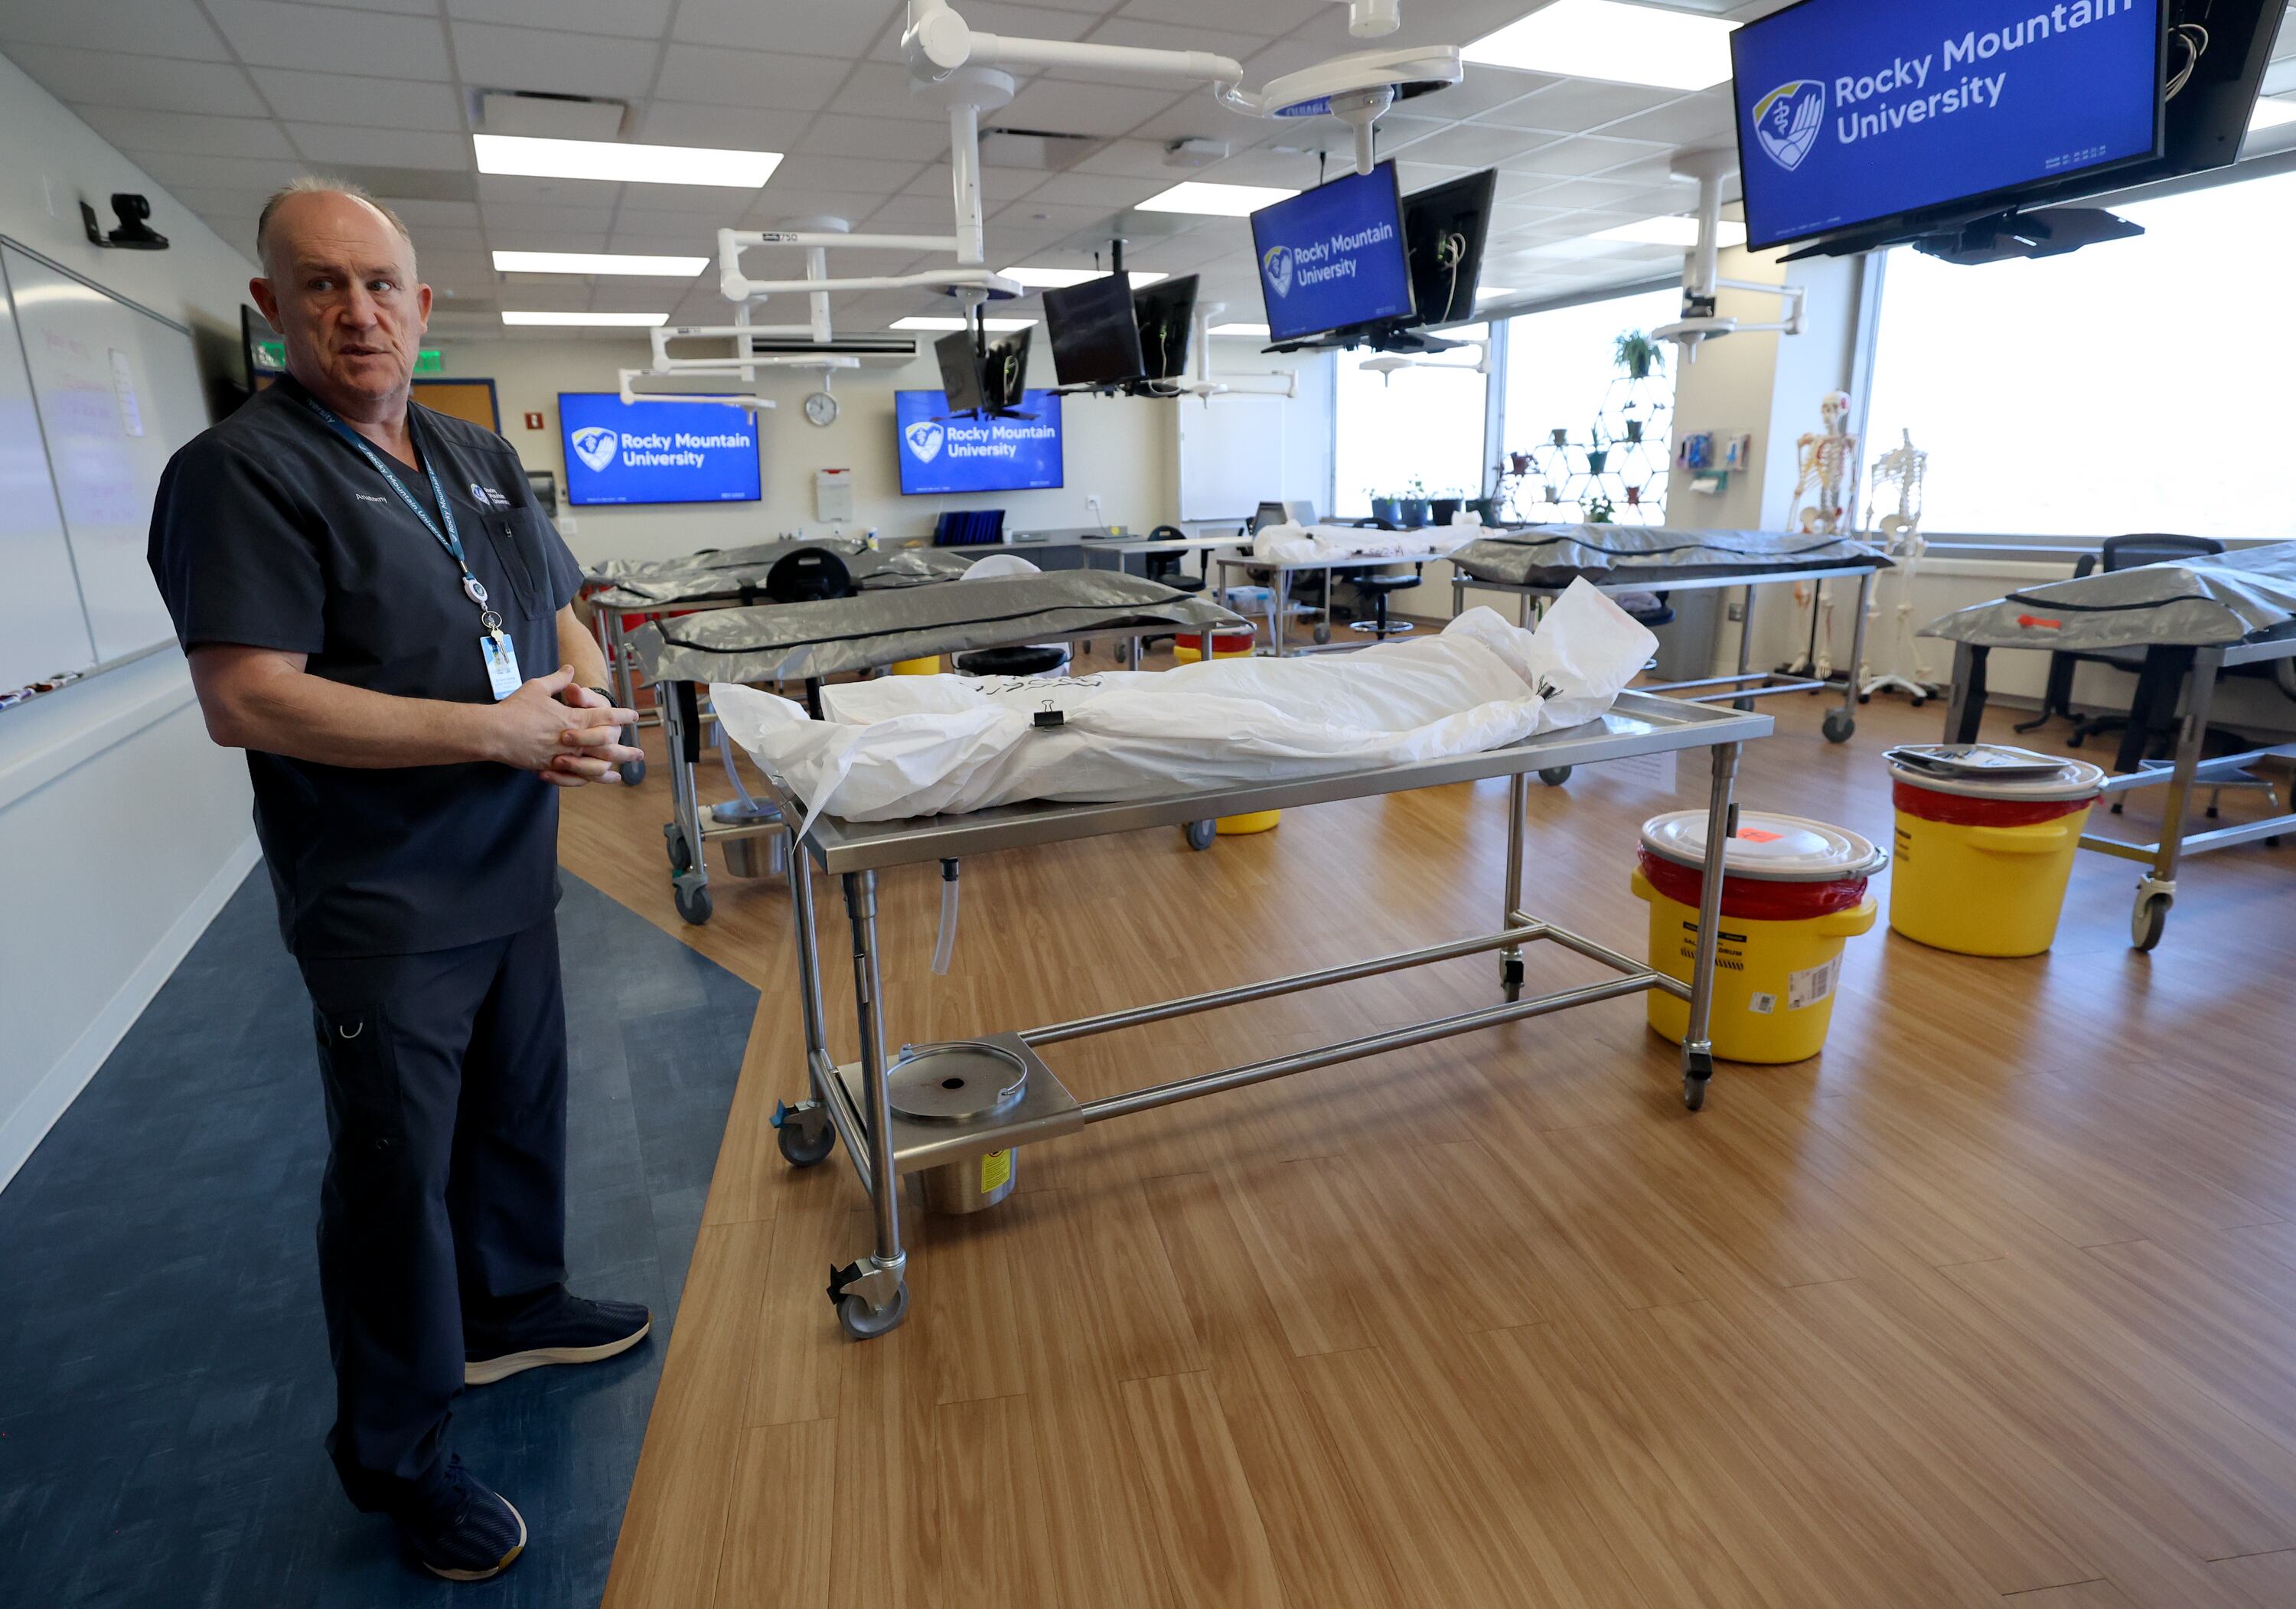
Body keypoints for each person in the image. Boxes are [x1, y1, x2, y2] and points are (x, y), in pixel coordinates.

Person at [148, 179, 650, 1583]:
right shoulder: (240, 474)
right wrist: (498, 730)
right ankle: (402, 1456)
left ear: (425, 310)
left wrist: (584, 706)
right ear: (271, 309)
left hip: (511, 872)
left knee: (517, 1113)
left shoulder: (478, 456)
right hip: (382, 905)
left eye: (381, 285)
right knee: (392, 1186)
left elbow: (557, 616)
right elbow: (250, 697)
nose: (357, 310)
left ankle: (512, 1305)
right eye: (321, 285)